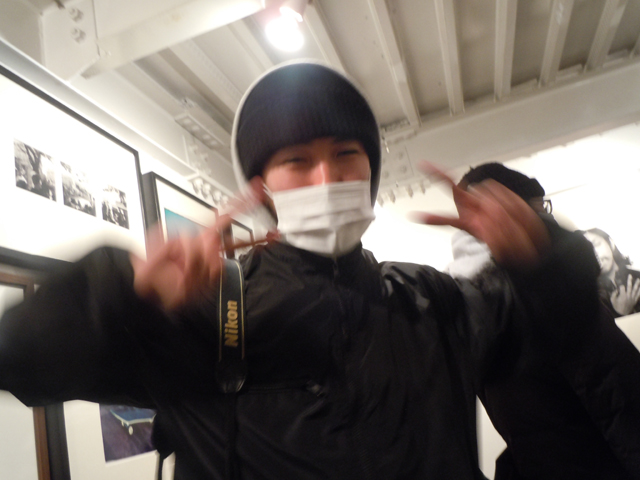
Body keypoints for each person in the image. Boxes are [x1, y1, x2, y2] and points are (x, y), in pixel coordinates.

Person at [0, 62, 636, 480]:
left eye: (346, 153)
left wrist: (543, 259)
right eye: (297, 161)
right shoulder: (202, 318)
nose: (327, 177)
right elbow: (21, 361)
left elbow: (568, 345)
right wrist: (126, 294)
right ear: (264, 186)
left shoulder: (435, 304)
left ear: (371, 171)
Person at [448, 163, 640, 479]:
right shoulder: (543, 293)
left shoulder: (469, 304)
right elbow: (617, 397)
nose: (546, 218)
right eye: (540, 208)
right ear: (516, 211)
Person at [584, 227, 640, 318]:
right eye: (585, 251)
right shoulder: (586, 297)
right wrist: (621, 313)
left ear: (610, 243)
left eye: (596, 244)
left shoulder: (637, 276)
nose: (593, 254)